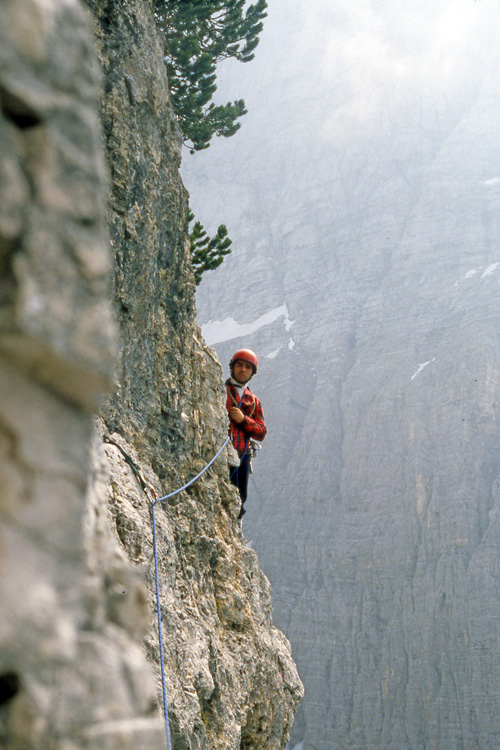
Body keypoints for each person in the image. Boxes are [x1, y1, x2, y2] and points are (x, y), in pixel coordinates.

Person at [226, 348, 266, 520]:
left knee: (239, 500)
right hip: (220, 454)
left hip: (242, 456)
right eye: (240, 365)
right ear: (233, 368)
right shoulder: (220, 391)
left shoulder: (254, 401)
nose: (243, 370)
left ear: (252, 372)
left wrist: (243, 420)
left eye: (248, 367)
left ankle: (234, 533)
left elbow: (261, 432)